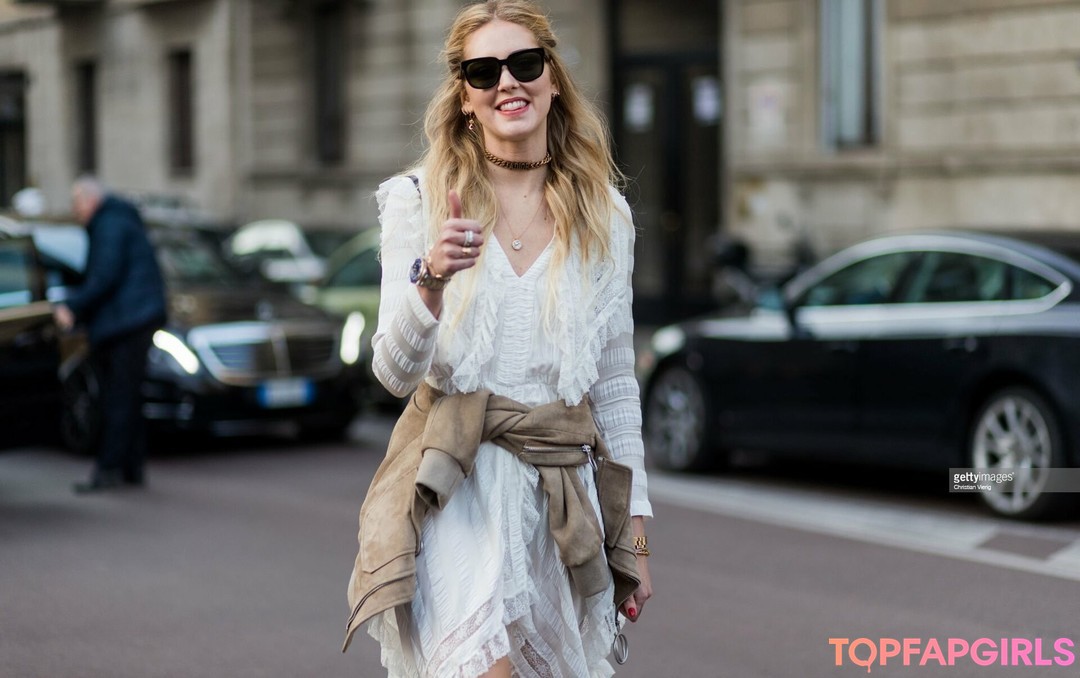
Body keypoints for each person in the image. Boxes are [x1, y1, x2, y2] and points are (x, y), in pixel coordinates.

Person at [344, 2, 653, 676]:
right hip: (458, 491)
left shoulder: (606, 215)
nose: (507, 81)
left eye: (524, 63)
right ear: (465, 98)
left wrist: (633, 538)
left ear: (552, 79)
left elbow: (614, 384)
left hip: (559, 496)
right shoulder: (418, 201)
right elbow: (393, 375)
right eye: (483, 72)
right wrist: (431, 279)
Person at [54, 177, 167, 494]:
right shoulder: (120, 219)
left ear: (91, 200)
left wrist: (72, 307)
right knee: (129, 395)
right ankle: (131, 467)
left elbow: (104, 276)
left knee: (117, 397)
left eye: (77, 203)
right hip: (135, 319)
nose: (75, 210)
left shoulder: (109, 224)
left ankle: (109, 469)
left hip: (126, 323)